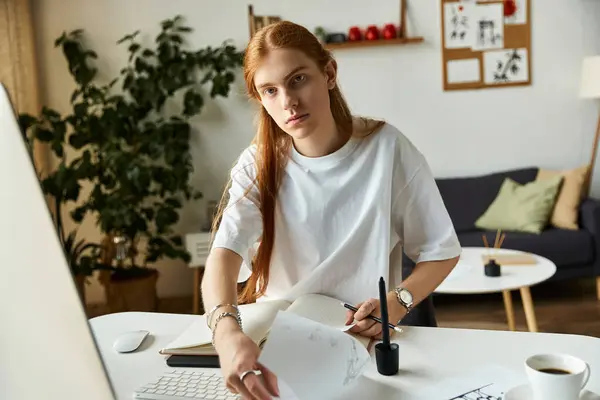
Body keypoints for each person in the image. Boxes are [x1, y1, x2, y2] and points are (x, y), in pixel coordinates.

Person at [201, 20, 461, 400]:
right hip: (277, 332)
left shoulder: (387, 149)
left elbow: (441, 252)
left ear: (329, 73)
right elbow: (223, 257)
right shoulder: (257, 163)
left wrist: (399, 301)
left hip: (357, 337)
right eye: (269, 91)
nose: (287, 102)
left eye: (298, 80)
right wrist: (226, 335)